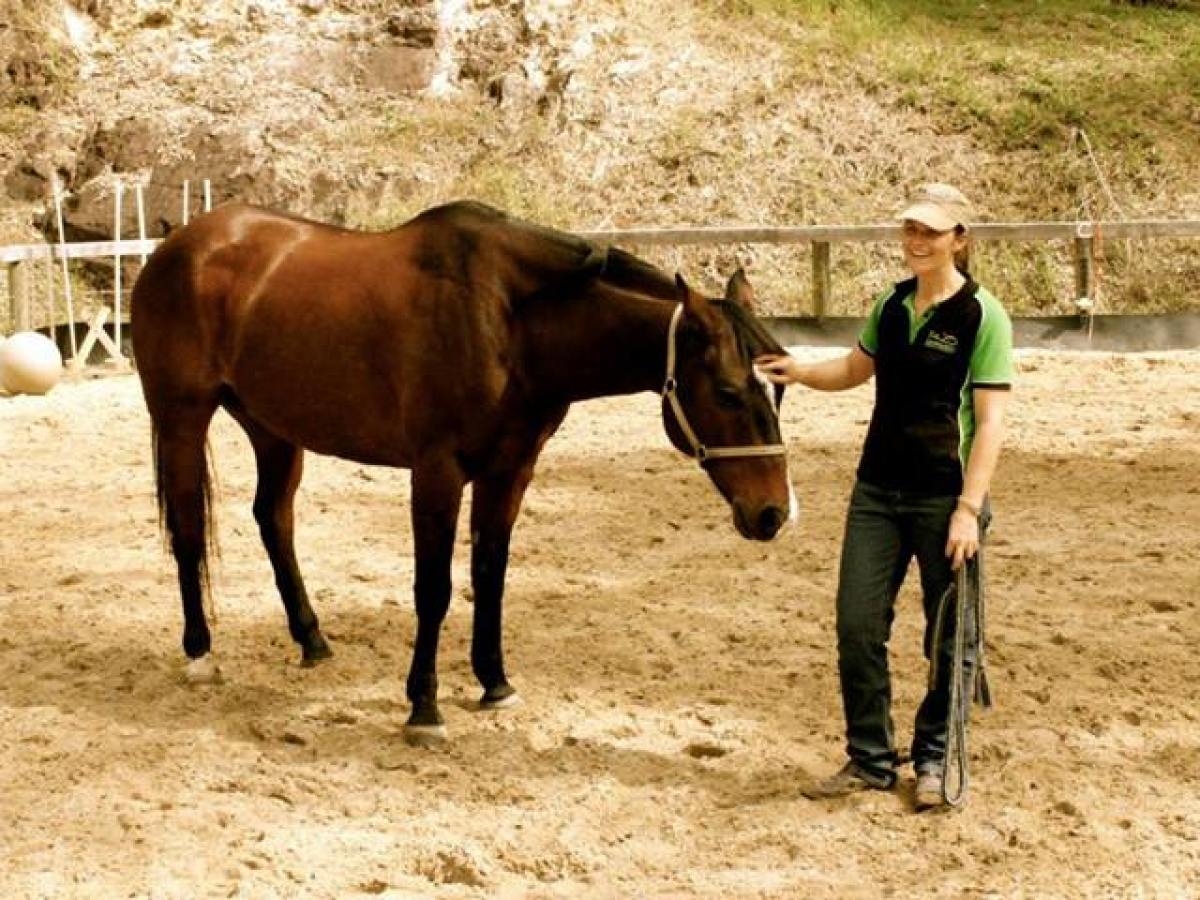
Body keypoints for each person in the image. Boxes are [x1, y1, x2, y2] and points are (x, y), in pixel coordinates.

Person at [756, 183, 1013, 811]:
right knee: (857, 623)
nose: (917, 241)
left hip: (943, 498)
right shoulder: (892, 304)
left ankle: (932, 757)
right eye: (910, 230)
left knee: (947, 637)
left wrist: (968, 510)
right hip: (875, 492)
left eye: (931, 231)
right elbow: (854, 369)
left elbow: (991, 423)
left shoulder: (984, 316)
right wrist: (798, 371)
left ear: (960, 239)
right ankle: (870, 757)